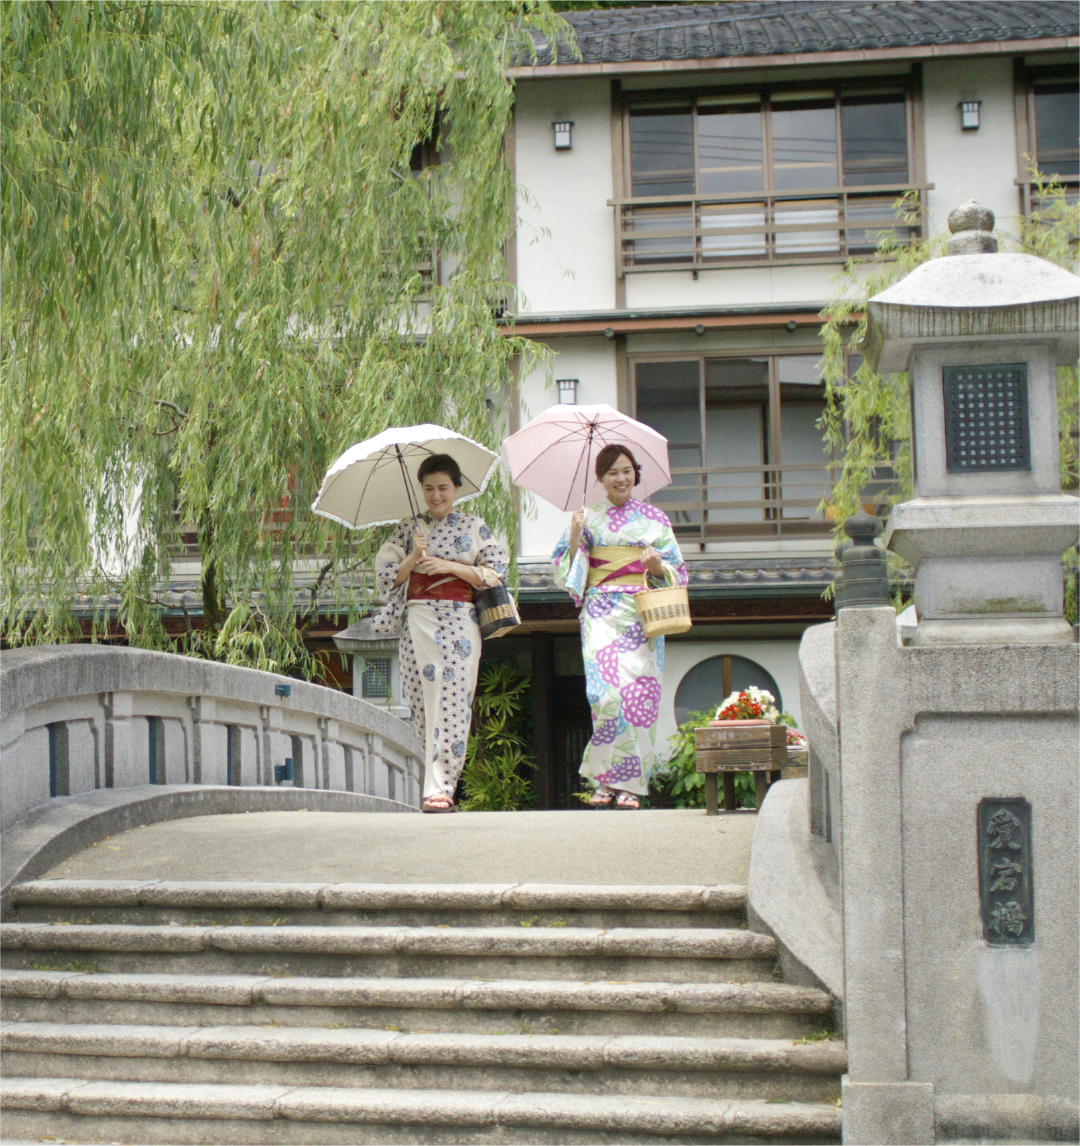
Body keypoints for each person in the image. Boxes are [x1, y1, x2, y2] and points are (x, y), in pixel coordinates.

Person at [552, 444, 688, 809]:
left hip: (641, 612)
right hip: (600, 610)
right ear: (600, 478)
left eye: (627, 470)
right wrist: (578, 535)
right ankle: (606, 780)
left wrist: (658, 567)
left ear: (636, 473)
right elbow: (564, 569)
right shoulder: (586, 517)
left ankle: (630, 785)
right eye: (612, 472)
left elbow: (679, 572)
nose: (621, 478)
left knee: (638, 698)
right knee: (604, 695)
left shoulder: (655, 518)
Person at [374, 454, 508, 812]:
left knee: (453, 696)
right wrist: (413, 555)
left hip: (460, 619)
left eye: (443, 488)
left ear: (457, 488)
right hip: (417, 618)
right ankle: (428, 783)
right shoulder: (408, 528)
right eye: (429, 488)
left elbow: (495, 573)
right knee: (422, 700)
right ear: (421, 489)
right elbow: (387, 581)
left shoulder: (474, 526)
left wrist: (449, 565)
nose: (436, 496)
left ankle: (443, 785)